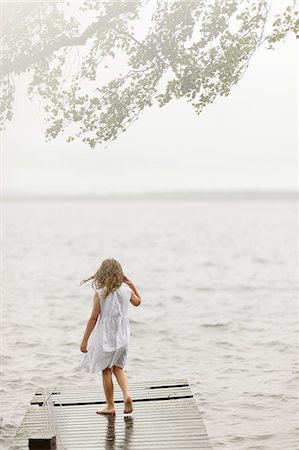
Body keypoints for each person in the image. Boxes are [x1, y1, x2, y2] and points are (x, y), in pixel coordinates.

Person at [79, 258, 141, 415]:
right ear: (119, 274)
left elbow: (93, 318)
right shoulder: (127, 291)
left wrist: (85, 339)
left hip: (106, 337)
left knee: (106, 370)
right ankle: (127, 394)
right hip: (123, 336)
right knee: (118, 368)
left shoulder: (100, 294)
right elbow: (138, 302)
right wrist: (131, 283)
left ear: (102, 275)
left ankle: (110, 405)